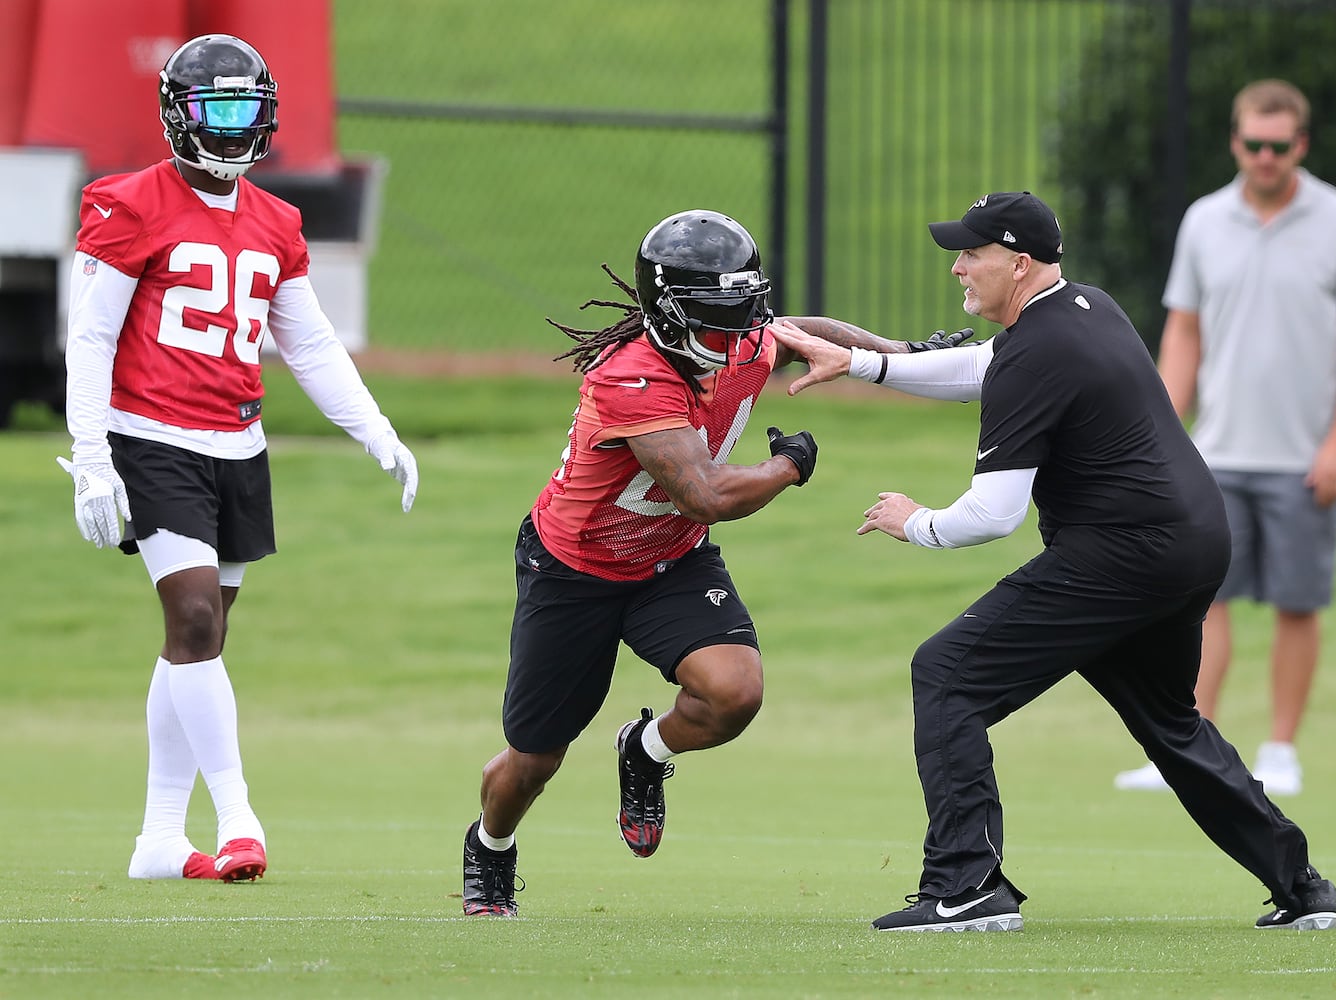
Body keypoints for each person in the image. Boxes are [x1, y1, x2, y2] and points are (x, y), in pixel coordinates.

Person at [772, 190, 1336, 933]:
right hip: (1192, 541)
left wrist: (917, 524)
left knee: (945, 675)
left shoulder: (1040, 348)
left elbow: (994, 515)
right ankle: (1301, 888)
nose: (959, 269)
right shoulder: (1084, 308)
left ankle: (966, 886)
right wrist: (859, 363)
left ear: (1020, 262)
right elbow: (981, 366)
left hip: (1124, 554)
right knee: (1170, 721)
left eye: (972, 254)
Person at [459, 208, 901, 917]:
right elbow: (704, 495)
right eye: (715, 317)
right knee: (533, 760)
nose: (738, 336)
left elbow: (805, 331)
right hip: (577, 570)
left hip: (669, 561)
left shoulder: (741, 338)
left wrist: (896, 354)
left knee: (735, 692)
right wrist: (788, 466)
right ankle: (490, 847)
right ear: (666, 315)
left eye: (742, 314)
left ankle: (645, 750)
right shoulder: (632, 376)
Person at [59, 34, 418, 883]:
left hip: (237, 441)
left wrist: (373, 427)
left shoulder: (276, 220)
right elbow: (91, 335)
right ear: (177, 115)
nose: (229, 129)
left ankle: (156, 838)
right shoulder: (126, 202)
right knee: (192, 623)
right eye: (214, 110)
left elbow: (310, 341)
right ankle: (238, 816)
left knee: (200, 638)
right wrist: (90, 453)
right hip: (152, 436)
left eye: (243, 110)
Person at [1114, 79, 1336, 797]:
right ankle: (1189, 746)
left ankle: (1281, 751)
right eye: (1252, 144)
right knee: (1200, 602)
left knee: (1298, 602)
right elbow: (1185, 330)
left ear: (1300, 144)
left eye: (1280, 146)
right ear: (1235, 141)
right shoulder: (1205, 220)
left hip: (1304, 455)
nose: (1265, 158)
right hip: (1215, 453)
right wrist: (1165, 433)